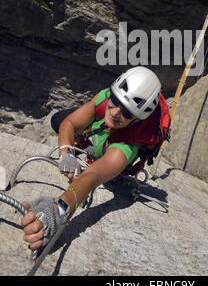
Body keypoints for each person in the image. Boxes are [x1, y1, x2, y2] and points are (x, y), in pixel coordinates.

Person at [21, 66, 162, 251]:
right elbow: (69, 123)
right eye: (115, 101)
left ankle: (91, 145)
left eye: (126, 112)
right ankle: (87, 140)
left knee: (91, 151)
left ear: (136, 120)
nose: (115, 112)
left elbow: (92, 177)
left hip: (108, 152)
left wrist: (59, 210)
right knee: (58, 120)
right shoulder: (105, 97)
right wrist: (66, 154)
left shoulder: (125, 149)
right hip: (97, 137)